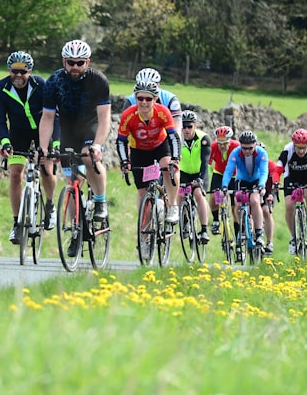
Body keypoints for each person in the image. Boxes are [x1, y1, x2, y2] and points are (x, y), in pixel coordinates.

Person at [38, 39, 111, 226]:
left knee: (89, 158)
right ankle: (75, 230)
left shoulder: (98, 80)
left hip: (90, 128)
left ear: (88, 62)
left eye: (80, 63)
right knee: (72, 182)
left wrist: (97, 145)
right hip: (67, 132)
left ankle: (100, 201)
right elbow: (47, 118)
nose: (75, 67)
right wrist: (44, 148)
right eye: (71, 62)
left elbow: (104, 118)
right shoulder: (54, 81)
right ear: (64, 62)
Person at [0, 51, 56, 244]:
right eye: (14, 71)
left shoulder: (41, 85)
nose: (18, 76)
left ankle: (50, 205)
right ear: (9, 70)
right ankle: (17, 223)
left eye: (23, 72)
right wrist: (5, 142)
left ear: (30, 71)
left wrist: (47, 145)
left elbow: (52, 115)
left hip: (42, 132)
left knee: (46, 169)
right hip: (17, 134)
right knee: (15, 174)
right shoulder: (0, 88)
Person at [117, 80, 181, 222]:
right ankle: (143, 238)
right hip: (139, 150)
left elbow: (174, 136)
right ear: (135, 98)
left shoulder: (162, 112)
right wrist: (124, 161)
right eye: (140, 98)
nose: (144, 102)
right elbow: (121, 141)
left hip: (160, 146)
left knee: (168, 167)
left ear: (155, 99)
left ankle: (172, 206)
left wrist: (175, 158)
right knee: (142, 192)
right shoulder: (128, 115)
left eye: (148, 99)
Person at [221, 130, 270, 248]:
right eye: (244, 148)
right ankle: (243, 227)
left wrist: (262, 185)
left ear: (255, 145)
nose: (247, 151)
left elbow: (264, 172)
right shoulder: (235, 153)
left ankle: (258, 233)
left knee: (254, 201)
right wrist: (224, 186)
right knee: (237, 205)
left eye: (250, 148)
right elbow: (228, 171)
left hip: (256, 180)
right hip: (241, 180)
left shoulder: (262, 153)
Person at [278, 128, 307, 255]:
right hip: (291, 177)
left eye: (304, 148)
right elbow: (278, 170)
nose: (301, 151)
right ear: (294, 145)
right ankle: (293, 237)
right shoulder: (287, 150)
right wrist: (276, 182)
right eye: (298, 147)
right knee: (289, 204)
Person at [177, 110, 212, 243]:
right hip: (184, 173)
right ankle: (185, 221)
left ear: (195, 126)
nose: (186, 129)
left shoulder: (204, 139)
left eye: (189, 126)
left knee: (198, 194)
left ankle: (204, 230)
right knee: (180, 195)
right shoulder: (177, 138)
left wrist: (200, 180)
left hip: (199, 173)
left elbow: (205, 162)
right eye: (183, 126)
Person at [208, 125, 239, 236]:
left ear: (230, 141)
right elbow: (207, 164)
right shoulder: (213, 147)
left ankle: (238, 235)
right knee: (213, 197)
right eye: (219, 143)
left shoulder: (237, 147)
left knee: (235, 207)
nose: (222, 146)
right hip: (219, 174)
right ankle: (216, 220)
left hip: (235, 176)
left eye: (225, 143)